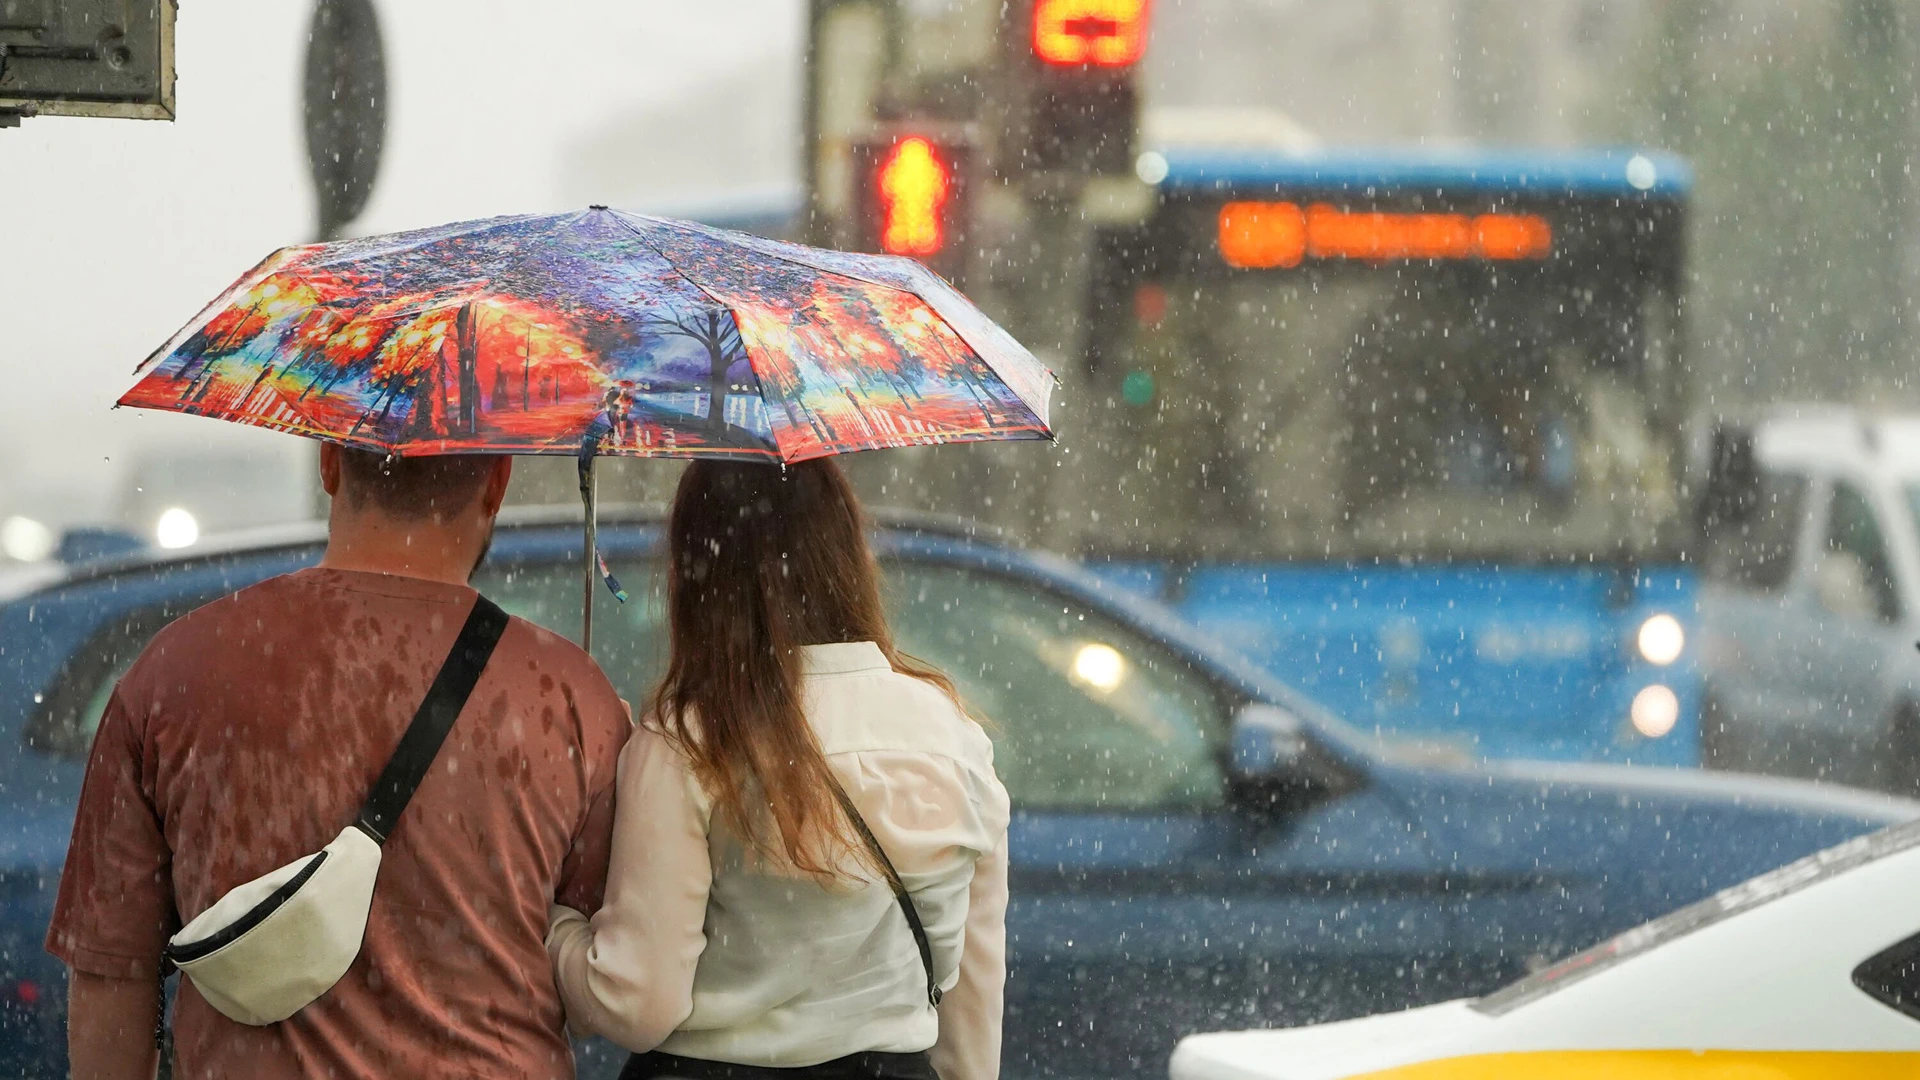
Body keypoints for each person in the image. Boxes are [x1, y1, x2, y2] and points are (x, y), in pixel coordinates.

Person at [48, 445, 631, 1080]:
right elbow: (607, 964)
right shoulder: (572, 696)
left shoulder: (175, 671)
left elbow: (112, 973)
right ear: (497, 482)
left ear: (329, 464)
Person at [547, 459, 1011, 1080]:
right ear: (846, 554)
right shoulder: (955, 735)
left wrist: (555, 927)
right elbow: (971, 1000)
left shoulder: (692, 740)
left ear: (698, 571)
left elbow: (636, 1000)